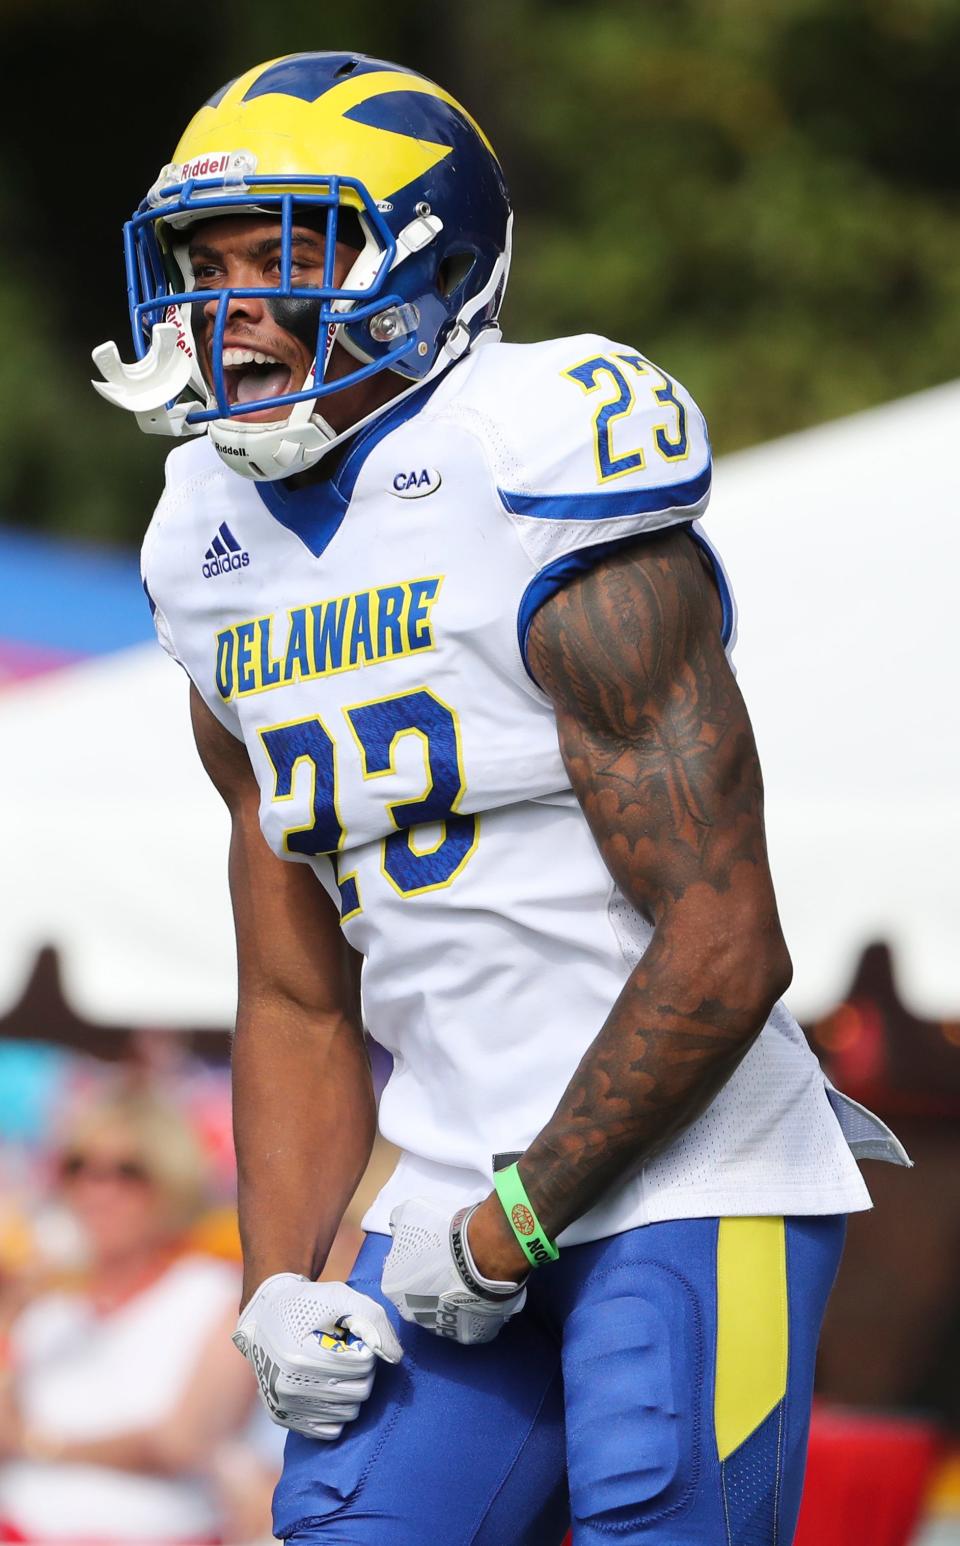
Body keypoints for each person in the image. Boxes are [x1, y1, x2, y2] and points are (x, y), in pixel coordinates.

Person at [93, 51, 910, 1545]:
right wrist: (285, 1275)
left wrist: (515, 1218)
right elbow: (293, 984)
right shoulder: (203, 537)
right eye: (204, 267)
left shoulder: (535, 449)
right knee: (345, 1519)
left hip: (689, 1170)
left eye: (284, 254)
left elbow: (728, 936)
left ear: (432, 257)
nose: (232, 310)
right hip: (455, 1183)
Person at [0, 1087, 272, 1543]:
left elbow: (183, 1443)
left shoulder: (215, 1298)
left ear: (171, 1181)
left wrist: (38, 1444)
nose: (96, 1190)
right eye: (78, 1167)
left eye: (127, 1173)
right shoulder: (46, 1309)